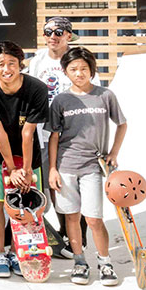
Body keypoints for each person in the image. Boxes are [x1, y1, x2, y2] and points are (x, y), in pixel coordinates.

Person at [48, 47, 127, 286]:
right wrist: (52, 168)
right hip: (66, 166)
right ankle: (80, 262)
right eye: (73, 69)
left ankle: (105, 262)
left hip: (93, 166)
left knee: (93, 218)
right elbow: (54, 136)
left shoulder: (105, 96)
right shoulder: (61, 100)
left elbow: (122, 124)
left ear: (92, 70)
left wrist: (114, 152)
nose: (79, 73)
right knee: (71, 217)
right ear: (65, 72)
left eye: (83, 68)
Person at [27, 16, 98, 252]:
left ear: (69, 35)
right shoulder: (38, 60)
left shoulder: (79, 59)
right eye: (48, 32)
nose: (52, 37)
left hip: (75, 133)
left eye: (58, 32)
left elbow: (94, 93)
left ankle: (80, 234)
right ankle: (65, 231)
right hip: (45, 133)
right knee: (55, 184)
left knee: (74, 184)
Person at [0, 40, 49, 279]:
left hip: (29, 155)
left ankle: (21, 252)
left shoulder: (37, 89)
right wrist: (10, 168)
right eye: (1, 64)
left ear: (20, 64)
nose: (6, 69)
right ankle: (1, 253)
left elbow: (28, 133)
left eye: (11, 63)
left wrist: (26, 170)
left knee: (29, 207)